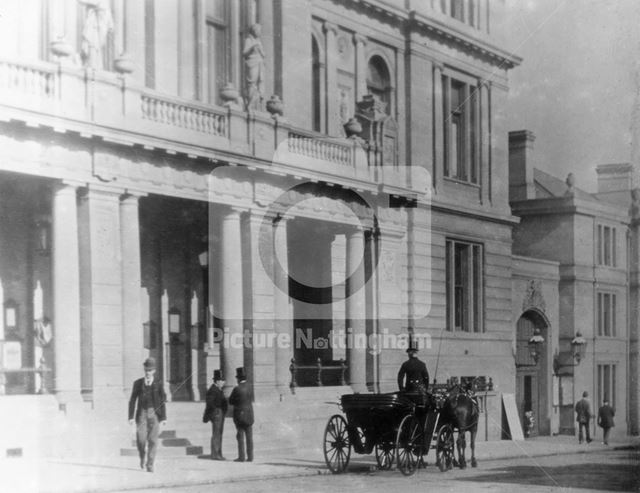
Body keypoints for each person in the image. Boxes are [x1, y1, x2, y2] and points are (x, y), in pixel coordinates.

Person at [128, 358, 167, 472]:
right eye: (146, 370)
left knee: (153, 440)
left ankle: (150, 464)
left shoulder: (158, 383)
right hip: (142, 413)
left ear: (154, 371)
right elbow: (132, 400)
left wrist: (163, 417)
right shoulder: (138, 383)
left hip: (154, 413)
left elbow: (162, 401)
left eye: (150, 370)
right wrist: (130, 416)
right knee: (141, 439)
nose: (148, 372)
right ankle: (142, 456)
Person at [229, 367, 254, 462]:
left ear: (238, 378)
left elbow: (231, 401)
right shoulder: (250, 387)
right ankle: (250, 457)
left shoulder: (237, 389)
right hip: (249, 415)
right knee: (249, 437)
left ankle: (241, 457)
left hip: (239, 416)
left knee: (240, 437)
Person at [203, 369, 228, 460]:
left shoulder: (218, 389)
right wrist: (216, 411)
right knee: (217, 434)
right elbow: (210, 403)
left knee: (219, 433)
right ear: (217, 381)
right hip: (217, 414)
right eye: (222, 380)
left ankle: (218, 453)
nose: (223, 382)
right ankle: (215, 454)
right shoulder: (213, 390)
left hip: (220, 413)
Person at [243, 23, 265, 111]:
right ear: (254, 31)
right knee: (251, 83)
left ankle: (256, 105)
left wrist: (260, 50)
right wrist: (252, 48)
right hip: (252, 63)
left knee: (259, 83)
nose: (260, 32)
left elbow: (263, 54)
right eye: (259, 30)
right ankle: (249, 104)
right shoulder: (249, 40)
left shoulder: (259, 41)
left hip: (259, 63)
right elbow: (244, 53)